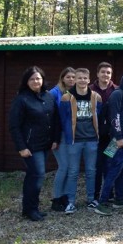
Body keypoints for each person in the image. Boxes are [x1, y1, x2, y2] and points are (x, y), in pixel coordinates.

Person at [9, 66, 60, 221]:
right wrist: (21, 147)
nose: (36, 81)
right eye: (32, 79)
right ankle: (31, 209)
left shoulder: (48, 97)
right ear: (27, 81)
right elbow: (14, 126)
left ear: (42, 79)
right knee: (37, 175)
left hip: (45, 144)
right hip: (30, 146)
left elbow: (55, 120)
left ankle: (29, 208)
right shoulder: (21, 99)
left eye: (38, 78)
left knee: (33, 176)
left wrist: (55, 139)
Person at [94, 71, 123, 216]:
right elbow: (115, 117)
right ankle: (102, 201)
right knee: (113, 168)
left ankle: (119, 198)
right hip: (119, 139)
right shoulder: (117, 94)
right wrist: (118, 137)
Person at [59, 68, 102, 213]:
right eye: (79, 78)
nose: (82, 80)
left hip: (91, 139)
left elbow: (99, 116)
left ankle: (91, 199)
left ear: (89, 80)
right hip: (74, 140)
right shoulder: (66, 97)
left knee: (91, 171)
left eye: (85, 78)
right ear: (75, 80)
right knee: (73, 172)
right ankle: (70, 201)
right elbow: (63, 118)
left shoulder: (96, 97)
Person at [89, 62, 118, 205]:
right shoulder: (89, 90)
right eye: (103, 72)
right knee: (97, 165)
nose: (105, 74)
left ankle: (109, 193)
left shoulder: (116, 90)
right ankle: (95, 195)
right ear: (97, 74)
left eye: (108, 72)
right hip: (95, 136)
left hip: (112, 137)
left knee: (110, 164)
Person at [49, 67, 75, 212]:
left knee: (70, 168)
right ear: (62, 78)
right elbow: (52, 118)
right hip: (59, 136)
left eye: (73, 77)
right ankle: (56, 198)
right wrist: (54, 138)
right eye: (68, 77)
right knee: (63, 166)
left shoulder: (75, 93)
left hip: (71, 136)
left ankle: (64, 196)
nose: (71, 79)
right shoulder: (54, 93)